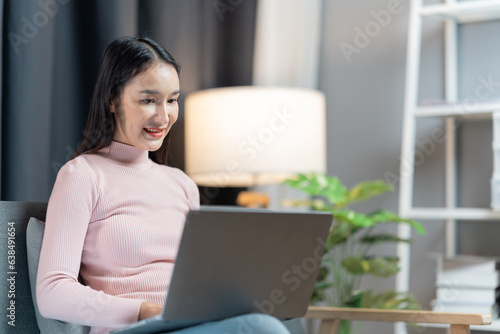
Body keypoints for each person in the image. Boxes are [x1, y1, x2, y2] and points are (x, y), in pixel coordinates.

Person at [36, 36, 290, 334]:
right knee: (262, 329)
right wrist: (143, 310)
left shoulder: (182, 185)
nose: (163, 115)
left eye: (172, 100)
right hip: (132, 328)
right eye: (148, 100)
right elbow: (52, 292)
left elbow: (199, 280)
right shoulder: (82, 174)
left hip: (191, 323)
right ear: (112, 101)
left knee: (261, 322)